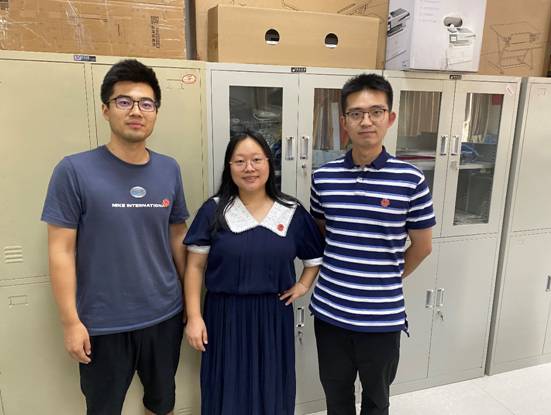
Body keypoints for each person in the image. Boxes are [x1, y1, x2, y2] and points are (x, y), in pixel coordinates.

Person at [41, 59, 188, 415]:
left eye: (146, 103)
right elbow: (61, 251)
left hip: (164, 314)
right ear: (106, 110)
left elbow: (177, 234)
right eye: (124, 101)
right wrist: (70, 322)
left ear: (155, 112)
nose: (136, 111)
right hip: (102, 323)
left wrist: (190, 301)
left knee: (162, 403)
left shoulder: (169, 168)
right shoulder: (73, 170)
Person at [309, 73, 435, 415]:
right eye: (356, 113)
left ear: (390, 118)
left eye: (376, 112)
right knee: (336, 398)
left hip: (381, 319)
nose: (366, 121)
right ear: (344, 122)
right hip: (330, 313)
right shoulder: (323, 177)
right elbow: (322, 233)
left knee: (377, 401)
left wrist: (387, 277)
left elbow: (422, 246)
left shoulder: (411, 180)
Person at [183, 130, 324, 415]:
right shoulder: (214, 211)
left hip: (273, 317)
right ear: (229, 167)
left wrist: (303, 285)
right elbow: (194, 266)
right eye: (240, 161)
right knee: (227, 387)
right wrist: (194, 317)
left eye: (257, 159)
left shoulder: (291, 211)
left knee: (271, 386)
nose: (249, 168)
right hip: (225, 316)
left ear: (269, 163)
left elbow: (314, 258)